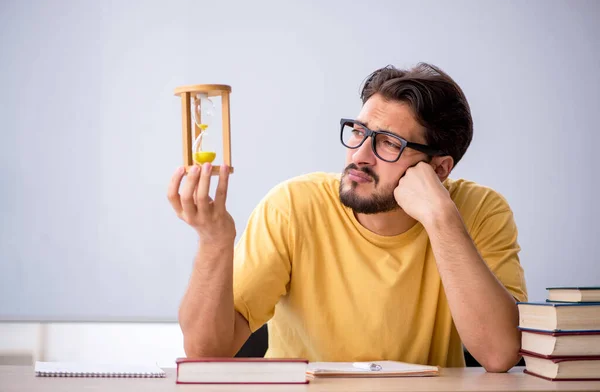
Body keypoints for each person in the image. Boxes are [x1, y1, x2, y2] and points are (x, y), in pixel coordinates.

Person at [168, 63, 528, 372]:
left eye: (388, 142)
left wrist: (442, 220)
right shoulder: (293, 205)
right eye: (358, 132)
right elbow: (205, 352)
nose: (359, 154)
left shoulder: (481, 211)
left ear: (438, 169)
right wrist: (214, 242)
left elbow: (499, 355)